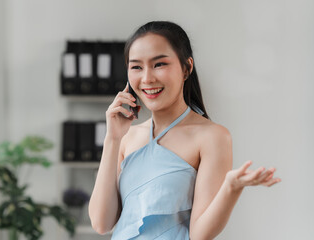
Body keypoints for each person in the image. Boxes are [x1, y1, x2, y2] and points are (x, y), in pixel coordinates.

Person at [88, 21, 281, 240]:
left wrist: (231, 187)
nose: (147, 78)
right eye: (136, 67)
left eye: (159, 64)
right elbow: (101, 223)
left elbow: (200, 235)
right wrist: (112, 138)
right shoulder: (127, 137)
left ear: (187, 67)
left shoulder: (211, 136)